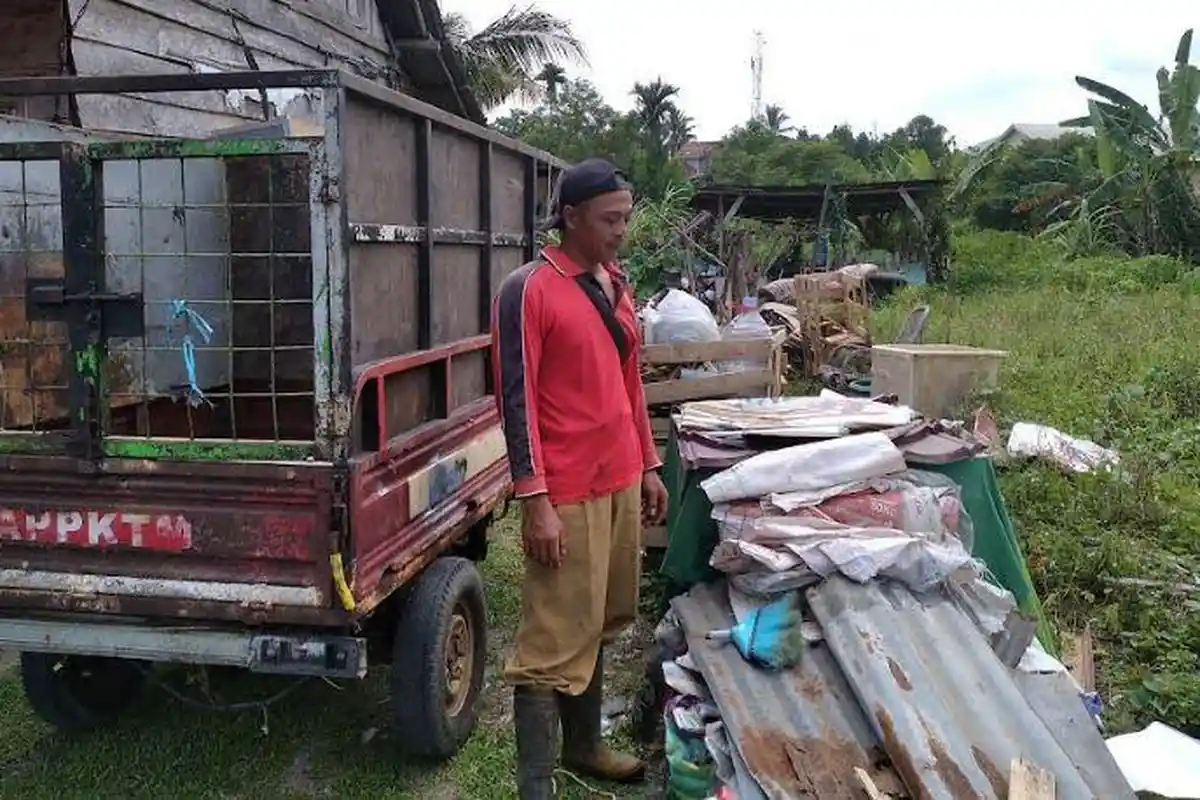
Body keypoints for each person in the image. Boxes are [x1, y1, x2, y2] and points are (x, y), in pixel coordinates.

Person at [491, 158, 669, 799]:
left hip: (620, 479)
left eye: (626, 217)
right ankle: (535, 786)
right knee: (551, 643)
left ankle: (586, 744)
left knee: (601, 619)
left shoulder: (615, 283)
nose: (622, 230)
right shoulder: (529, 289)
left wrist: (648, 465)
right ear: (570, 217)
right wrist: (534, 499)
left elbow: (629, 383)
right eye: (610, 219)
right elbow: (517, 402)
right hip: (565, 493)